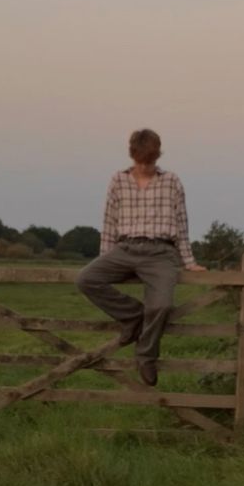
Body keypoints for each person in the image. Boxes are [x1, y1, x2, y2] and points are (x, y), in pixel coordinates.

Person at [77, 128, 205, 386]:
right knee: (86, 279)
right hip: (125, 248)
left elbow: (182, 222)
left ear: (157, 155)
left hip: (161, 252)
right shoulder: (118, 180)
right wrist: (106, 257)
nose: (145, 165)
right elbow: (109, 220)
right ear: (133, 155)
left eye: (150, 160)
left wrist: (188, 262)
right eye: (141, 160)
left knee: (161, 306)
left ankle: (146, 355)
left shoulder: (171, 181)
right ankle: (134, 317)